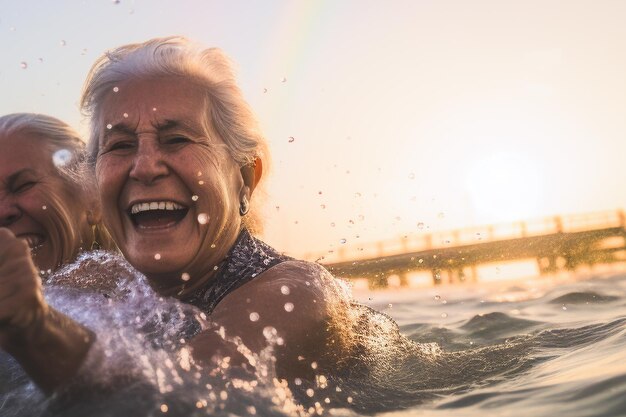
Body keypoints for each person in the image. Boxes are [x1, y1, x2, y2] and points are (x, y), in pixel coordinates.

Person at [80, 36, 368, 387]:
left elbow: (182, 400)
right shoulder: (99, 284)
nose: (144, 167)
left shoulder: (295, 292)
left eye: (177, 139)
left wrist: (37, 331)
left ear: (245, 178)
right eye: (121, 145)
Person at [0, 113, 116, 393]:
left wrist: (33, 323)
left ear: (92, 195)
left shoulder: (133, 294)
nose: (3, 211)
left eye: (24, 185)